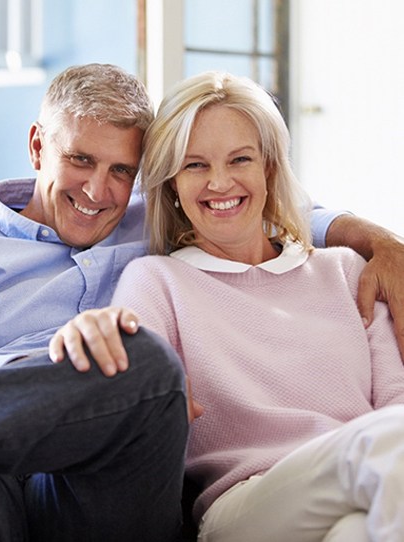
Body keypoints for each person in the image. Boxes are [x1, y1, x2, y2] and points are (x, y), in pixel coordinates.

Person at [0, 62, 403, 541]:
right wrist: (64, 364)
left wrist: (381, 242)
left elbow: (250, 203)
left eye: (122, 170)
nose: (99, 191)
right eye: (80, 159)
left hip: (104, 491)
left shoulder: (151, 216)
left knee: (140, 357)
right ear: (36, 146)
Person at [102, 71, 404, 540]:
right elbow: (132, 399)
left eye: (239, 159)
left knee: (355, 530)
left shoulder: (344, 271)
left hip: (367, 481)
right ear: (172, 184)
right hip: (245, 504)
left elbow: (396, 401)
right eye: (195, 165)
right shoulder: (157, 282)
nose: (219, 183)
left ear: (267, 167)